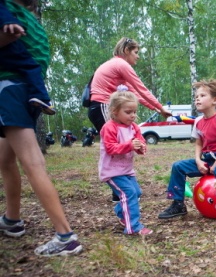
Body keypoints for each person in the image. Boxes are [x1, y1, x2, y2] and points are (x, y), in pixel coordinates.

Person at [0, 0, 82, 256]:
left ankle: (65, 236)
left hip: (10, 88)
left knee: (32, 163)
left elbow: (7, 37)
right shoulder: (26, 16)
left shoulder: (10, 13)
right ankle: (12, 221)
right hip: (24, 89)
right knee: (4, 159)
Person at [89, 37, 172, 202]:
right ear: (126, 51)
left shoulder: (117, 66)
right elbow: (142, 89)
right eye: (136, 52)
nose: (138, 56)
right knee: (112, 146)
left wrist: (155, 109)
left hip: (99, 106)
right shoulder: (121, 64)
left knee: (117, 144)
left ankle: (122, 192)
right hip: (103, 105)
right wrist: (161, 108)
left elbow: (135, 94)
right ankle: (121, 194)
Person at [158, 79, 216, 233]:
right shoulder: (198, 122)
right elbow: (198, 144)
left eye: (202, 95)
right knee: (178, 166)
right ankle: (178, 204)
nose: (197, 99)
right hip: (206, 160)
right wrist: (197, 161)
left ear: (215, 100)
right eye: (196, 96)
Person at [98, 85, 152, 235]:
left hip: (127, 170)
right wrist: (129, 145)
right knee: (128, 193)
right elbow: (111, 148)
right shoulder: (109, 127)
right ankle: (133, 227)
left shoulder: (134, 127)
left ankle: (122, 213)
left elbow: (141, 143)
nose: (133, 115)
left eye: (134, 112)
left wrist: (140, 147)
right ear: (115, 111)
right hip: (112, 171)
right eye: (128, 112)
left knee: (136, 192)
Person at [0, 0, 54, 114]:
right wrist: (8, 21)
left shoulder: (29, 16)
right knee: (31, 67)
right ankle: (41, 96)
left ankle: (40, 96)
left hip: (26, 84)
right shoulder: (7, 6)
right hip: (13, 82)